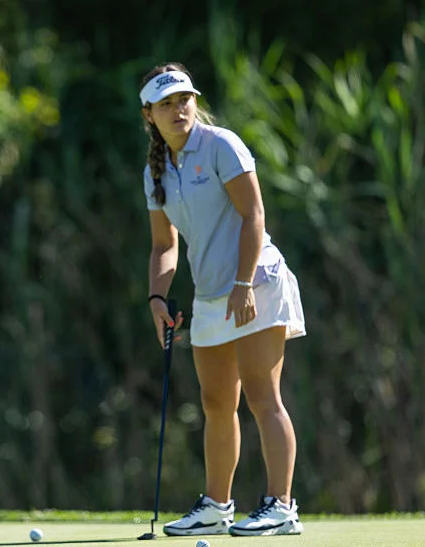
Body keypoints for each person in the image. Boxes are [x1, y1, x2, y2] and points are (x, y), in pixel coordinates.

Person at [138, 62, 307, 537]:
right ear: (149, 115)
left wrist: (244, 283)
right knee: (216, 404)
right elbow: (164, 245)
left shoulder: (221, 144)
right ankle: (216, 505)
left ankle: (281, 506)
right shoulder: (156, 173)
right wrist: (157, 297)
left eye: (184, 100)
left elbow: (253, 214)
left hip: (257, 283)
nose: (179, 110)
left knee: (262, 395)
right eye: (166, 104)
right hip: (212, 295)